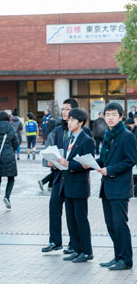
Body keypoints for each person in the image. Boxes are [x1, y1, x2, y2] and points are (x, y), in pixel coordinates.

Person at [41, 98, 91, 254]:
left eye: (67, 109)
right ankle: (55, 241)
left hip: (75, 177)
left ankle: (74, 244)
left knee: (75, 213)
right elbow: (54, 150)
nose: (64, 112)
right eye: (62, 109)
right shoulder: (58, 130)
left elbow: (86, 159)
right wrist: (50, 161)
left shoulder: (84, 133)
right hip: (58, 175)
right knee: (54, 205)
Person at [95, 102, 137, 270]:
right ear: (104, 116)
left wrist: (109, 170)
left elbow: (131, 160)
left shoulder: (126, 136)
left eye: (114, 114)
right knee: (111, 224)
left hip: (119, 187)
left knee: (120, 224)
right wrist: (91, 163)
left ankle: (126, 260)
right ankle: (118, 256)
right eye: (108, 114)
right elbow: (105, 159)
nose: (110, 117)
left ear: (121, 117)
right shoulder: (108, 134)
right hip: (107, 187)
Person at [54, 108, 94, 263]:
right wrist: (58, 162)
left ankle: (87, 251)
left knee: (81, 220)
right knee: (71, 220)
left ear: (81, 122)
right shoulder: (68, 137)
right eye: (68, 119)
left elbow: (88, 164)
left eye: (72, 120)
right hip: (67, 185)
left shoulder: (87, 140)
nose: (69, 122)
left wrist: (68, 164)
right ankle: (77, 249)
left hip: (79, 186)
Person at [0, 111, 18, 210]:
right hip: (9, 155)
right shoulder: (11, 128)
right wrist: (11, 150)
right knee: (11, 178)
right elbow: (16, 143)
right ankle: (7, 197)